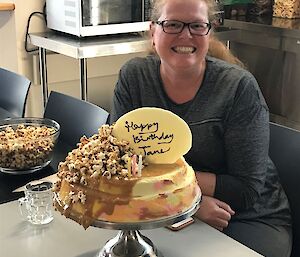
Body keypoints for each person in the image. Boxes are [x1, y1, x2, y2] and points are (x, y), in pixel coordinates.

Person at [109, 0, 292, 256]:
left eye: (197, 25)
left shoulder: (238, 88)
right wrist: (187, 203)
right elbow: (119, 164)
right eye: (172, 24)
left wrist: (175, 196)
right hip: (170, 209)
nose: (185, 35)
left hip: (249, 217)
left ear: (209, 32)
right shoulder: (134, 78)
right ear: (153, 32)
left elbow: (246, 190)